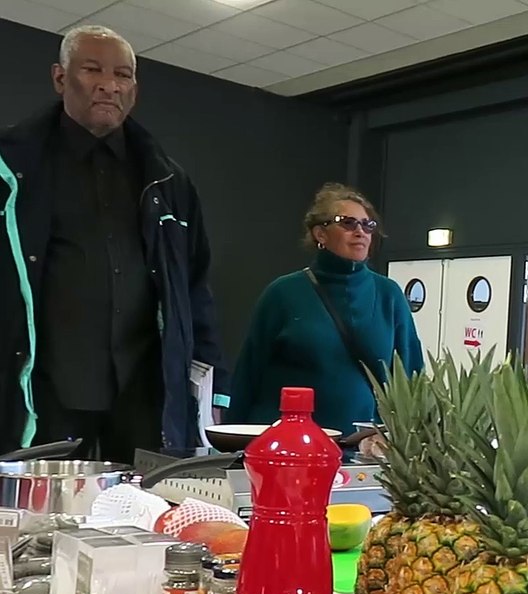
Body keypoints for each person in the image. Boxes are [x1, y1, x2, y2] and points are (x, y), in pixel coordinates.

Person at [0, 25, 228, 461]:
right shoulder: (10, 169)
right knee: (38, 519)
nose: (109, 85)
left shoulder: (170, 180)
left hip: (144, 392)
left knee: (149, 514)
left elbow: (196, 287)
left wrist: (214, 387)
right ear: (60, 78)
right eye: (92, 70)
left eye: (123, 75)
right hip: (42, 390)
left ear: (134, 90)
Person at [226, 183, 424, 435]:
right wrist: (233, 445)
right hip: (290, 448)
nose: (360, 232)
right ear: (320, 234)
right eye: (348, 223)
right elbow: (249, 374)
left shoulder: (389, 294)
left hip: (361, 449)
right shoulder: (284, 293)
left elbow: (411, 376)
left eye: (367, 225)